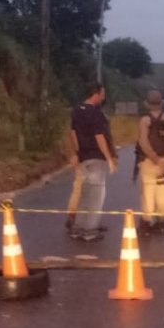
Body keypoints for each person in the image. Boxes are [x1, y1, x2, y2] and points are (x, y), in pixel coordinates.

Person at [67, 83, 116, 241]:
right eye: (102, 94)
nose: (103, 97)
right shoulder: (95, 113)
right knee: (96, 196)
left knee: (85, 194)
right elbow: (99, 136)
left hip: (83, 158)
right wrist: (109, 158)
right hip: (96, 158)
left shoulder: (76, 111)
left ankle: (78, 229)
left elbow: (73, 133)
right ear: (96, 94)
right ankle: (90, 231)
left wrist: (77, 152)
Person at [135, 89, 164, 235]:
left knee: (148, 192)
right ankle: (161, 224)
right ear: (162, 103)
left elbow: (143, 142)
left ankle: (146, 223)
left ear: (146, 104)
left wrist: (154, 158)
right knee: (162, 193)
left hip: (149, 162)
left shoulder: (146, 120)